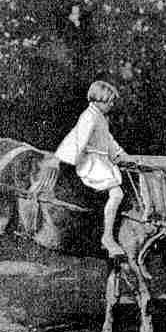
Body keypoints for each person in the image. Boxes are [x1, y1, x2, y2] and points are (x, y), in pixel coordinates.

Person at [53, 80, 129, 256]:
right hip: (91, 162)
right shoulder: (89, 116)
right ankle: (107, 237)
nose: (111, 105)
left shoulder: (100, 117)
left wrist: (122, 155)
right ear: (97, 100)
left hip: (101, 161)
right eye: (109, 101)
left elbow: (109, 141)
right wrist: (62, 160)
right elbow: (78, 140)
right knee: (117, 193)